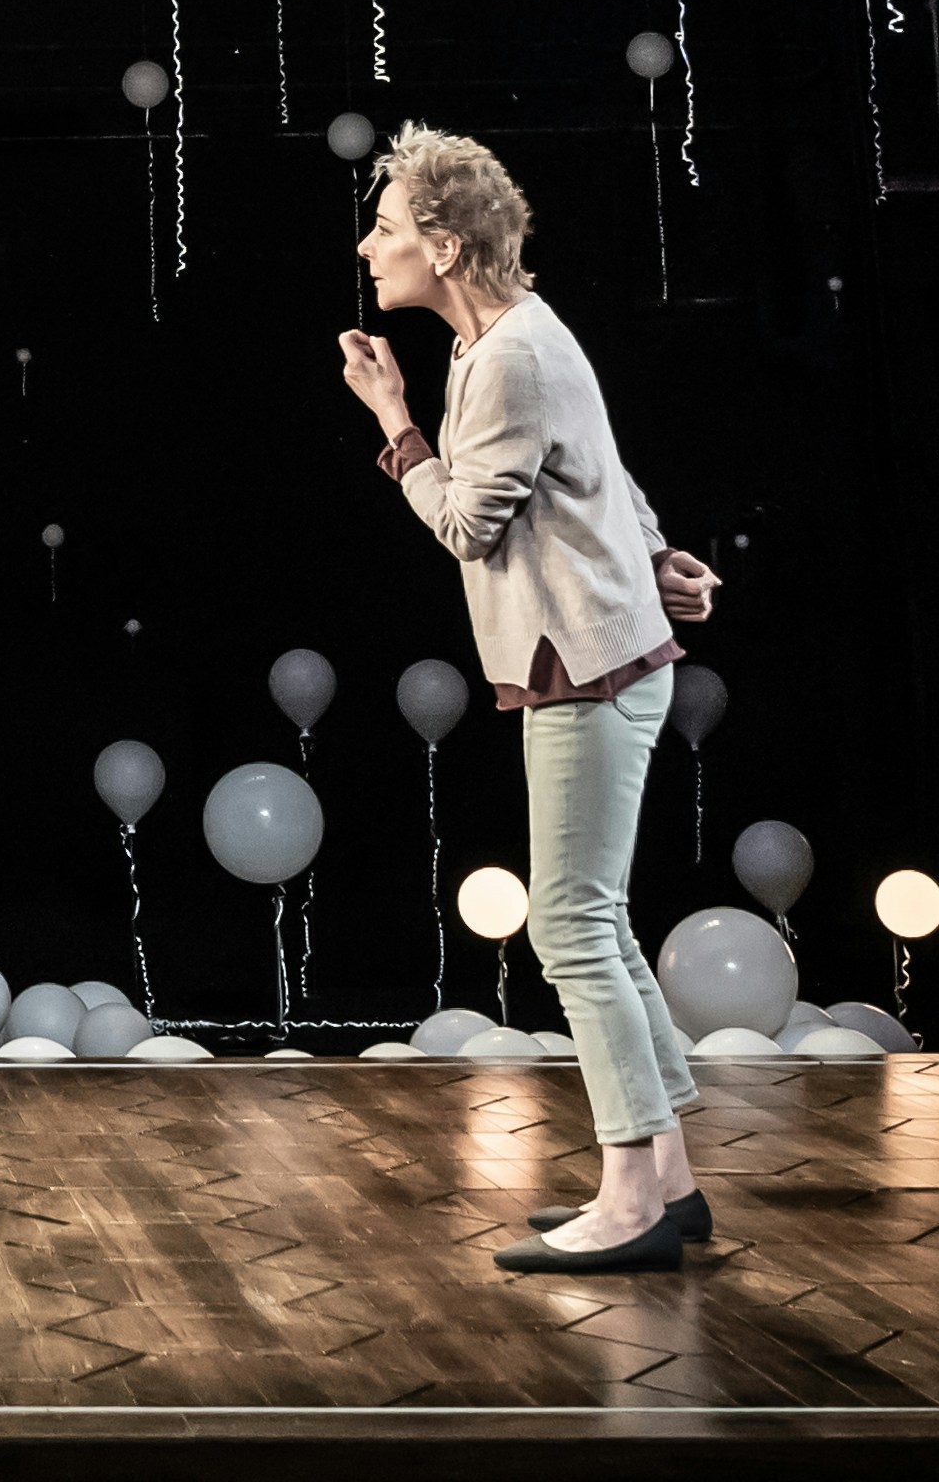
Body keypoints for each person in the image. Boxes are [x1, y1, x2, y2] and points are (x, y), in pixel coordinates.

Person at [334, 123, 722, 1275]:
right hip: (597, 653)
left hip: (585, 669)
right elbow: (600, 471)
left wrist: (391, 423)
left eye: (390, 229)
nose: (369, 247)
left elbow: (467, 524)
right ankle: (670, 1185)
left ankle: (631, 1190)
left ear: (446, 248)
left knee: (567, 921)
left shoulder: (500, 355)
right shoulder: (504, 339)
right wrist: (655, 557)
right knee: (590, 915)